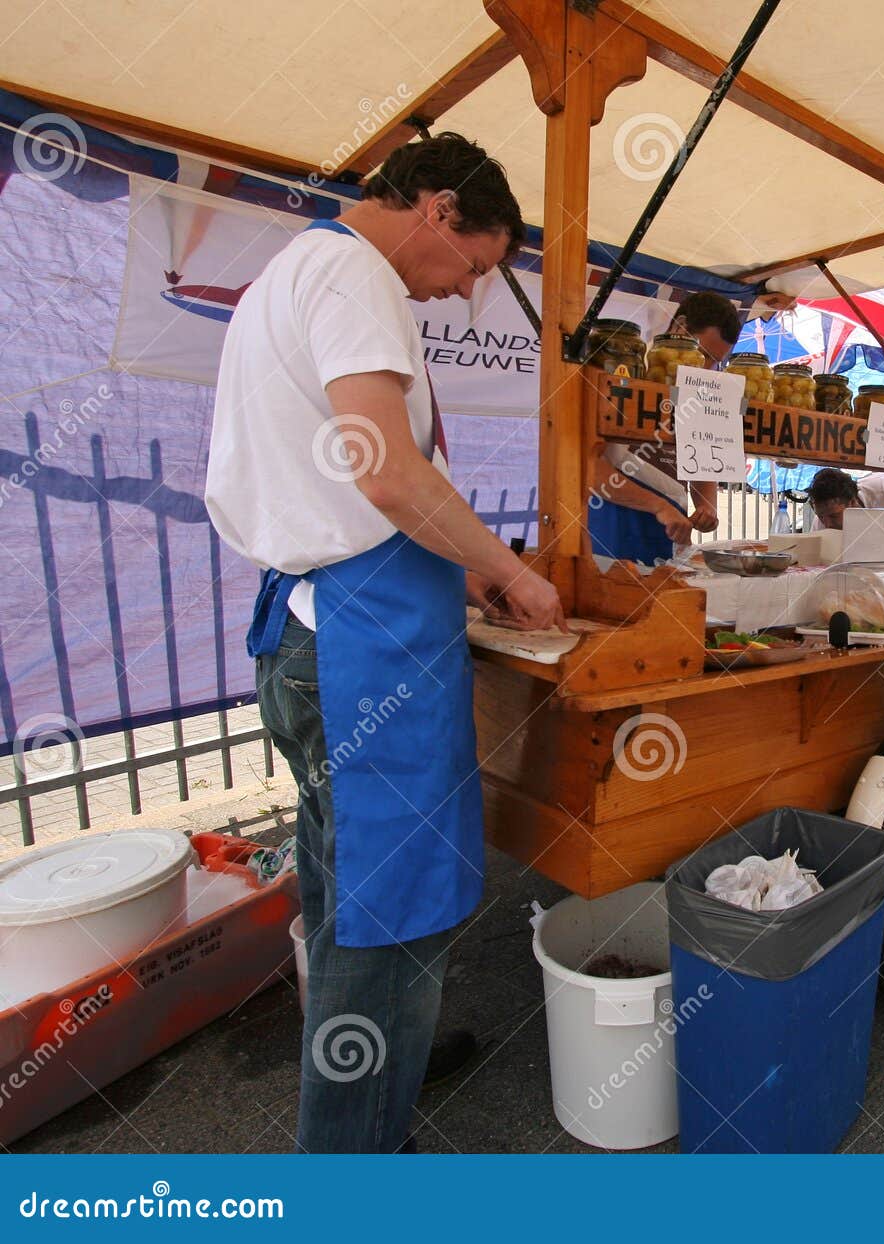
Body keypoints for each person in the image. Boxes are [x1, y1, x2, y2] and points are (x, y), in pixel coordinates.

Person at [206, 134, 564, 1151]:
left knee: (343, 901)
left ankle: (379, 1067)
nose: (462, 293)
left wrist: (455, 581)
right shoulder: (353, 273)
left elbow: (342, 483)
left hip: (319, 626)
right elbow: (386, 473)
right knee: (390, 914)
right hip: (360, 648)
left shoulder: (294, 271)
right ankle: (356, 1155)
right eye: (474, 265)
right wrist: (505, 568)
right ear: (438, 208)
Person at [589, 291, 743, 563]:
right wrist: (658, 506)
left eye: (715, 362)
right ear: (679, 326)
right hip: (613, 530)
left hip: (670, 536)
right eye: (703, 354)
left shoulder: (700, 392)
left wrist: (707, 507)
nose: (706, 368)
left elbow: (703, 457)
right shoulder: (625, 374)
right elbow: (588, 470)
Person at [806, 466, 862, 530]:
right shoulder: (819, 526)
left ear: (852, 502)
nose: (827, 525)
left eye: (833, 516)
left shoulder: (874, 496)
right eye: (821, 517)